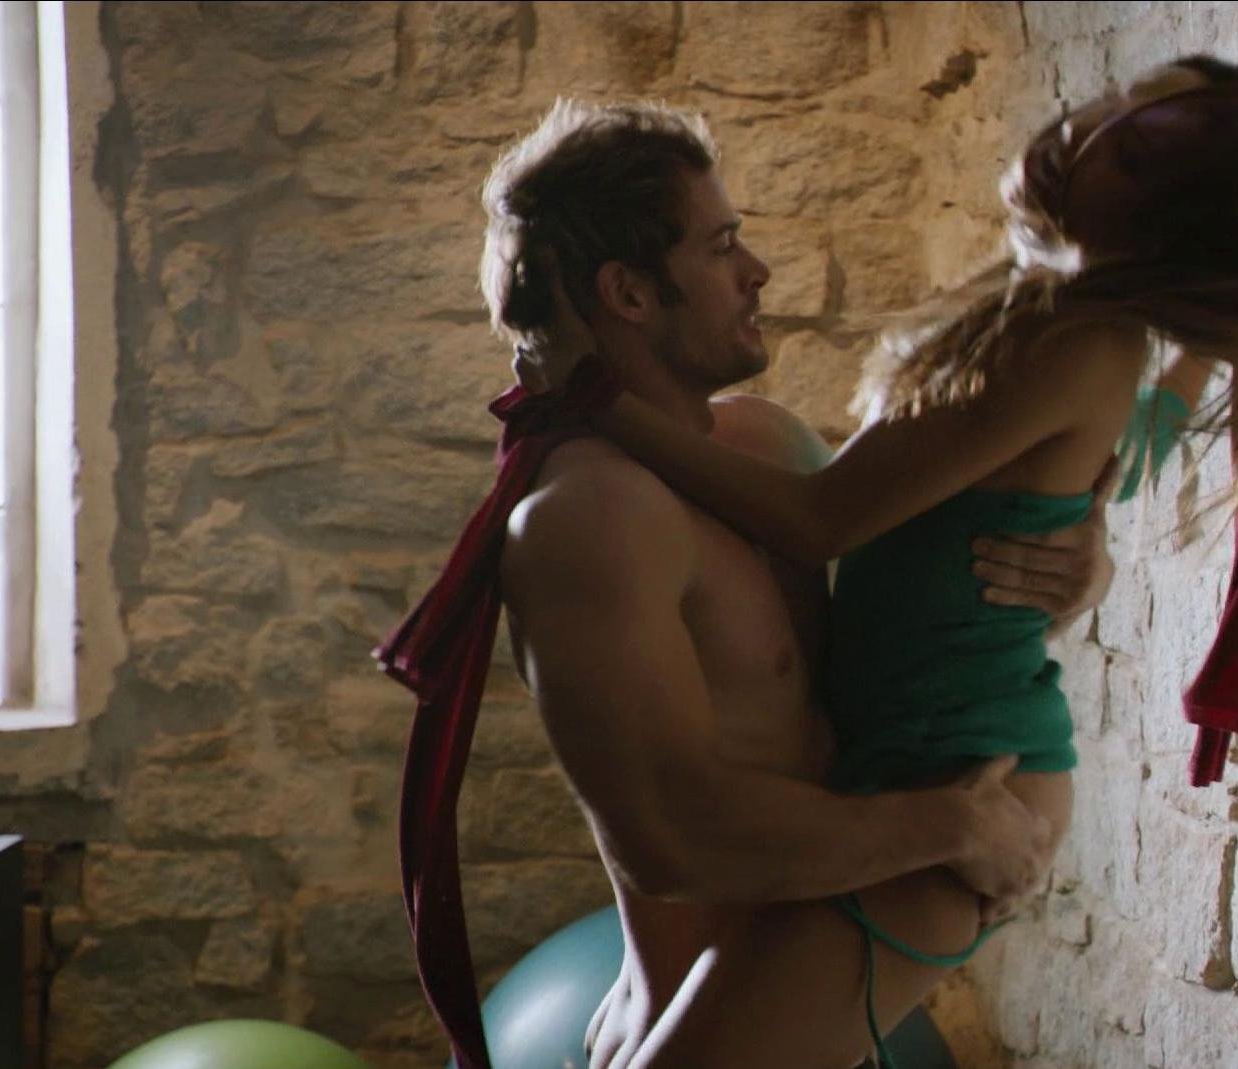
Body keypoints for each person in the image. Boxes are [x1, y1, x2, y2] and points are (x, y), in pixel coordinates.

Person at [523, 56, 1238, 1067]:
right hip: (920, 772)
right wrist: (1159, 412)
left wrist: (595, 402)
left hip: (964, 777)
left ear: (1168, 226)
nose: (1082, 127)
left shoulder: (1078, 341)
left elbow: (822, 518)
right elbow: (1127, 441)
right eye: (1110, 101)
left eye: (1131, 148)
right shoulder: (1048, 317)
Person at [456, 99, 1127, 1069]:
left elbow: (916, 620)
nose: (757, 270)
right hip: (707, 1006)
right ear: (629, 292)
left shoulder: (767, 447)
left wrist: (1075, 564)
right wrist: (949, 824)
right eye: (721, 245)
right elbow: (668, 834)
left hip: (830, 965)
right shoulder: (590, 519)